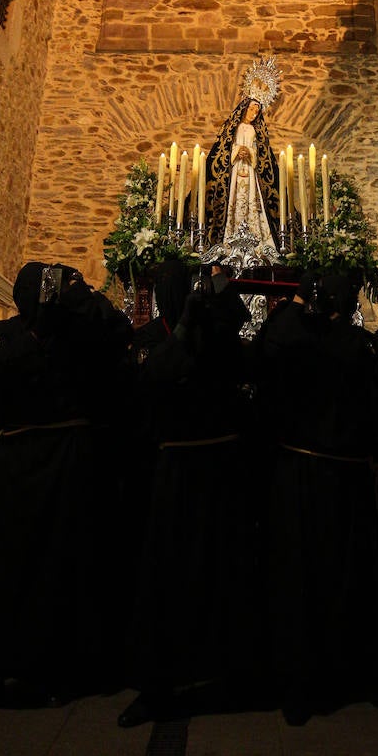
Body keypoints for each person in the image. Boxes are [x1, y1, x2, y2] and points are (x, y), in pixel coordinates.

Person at [0, 262, 132, 720]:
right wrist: (38, 330)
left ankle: (55, 666)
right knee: (5, 565)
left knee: (60, 563)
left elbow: (117, 336)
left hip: (68, 459)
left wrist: (79, 299)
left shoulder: (82, 329)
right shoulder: (9, 331)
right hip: (17, 462)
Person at [118, 264, 258, 727]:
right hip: (174, 473)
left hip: (221, 472)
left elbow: (243, 370)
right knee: (165, 577)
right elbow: (151, 381)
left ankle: (225, 672)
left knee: (224, 571)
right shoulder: (153, 342)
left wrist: (220, 311)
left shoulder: (220, 338)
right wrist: (183, 329)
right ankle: (157, 681)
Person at [262, 271, 378, 724]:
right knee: (354, 574)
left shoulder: (300, 341)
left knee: (304, 577)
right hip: (350, 477)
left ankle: (303, 685)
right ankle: (366, 675)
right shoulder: (357, 345)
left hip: (304, 476)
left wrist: (298, 302)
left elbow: (268, 354)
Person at [204, 59, 281, 256]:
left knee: (253, 203)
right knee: (234, 201)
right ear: (245, 107)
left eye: (258, 110)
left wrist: (252, 154)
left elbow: (264, 157)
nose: (254, 113)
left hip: (251, 172)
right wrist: (237, 151)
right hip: (236, 170)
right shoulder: (234, 127)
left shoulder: (258, 132)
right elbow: (222, 150)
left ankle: (257, 242)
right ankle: (230, 239)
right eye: (252, 109)